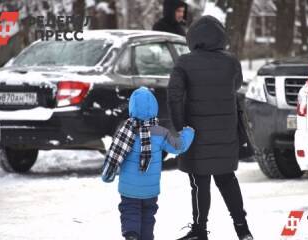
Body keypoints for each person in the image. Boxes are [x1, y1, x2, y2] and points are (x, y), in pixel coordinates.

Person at [167, 16, 254, 240]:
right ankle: (242, 229)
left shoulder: (185, 62)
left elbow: (174, 96)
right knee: (227, 179)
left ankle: (199, 231)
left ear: (193, 37)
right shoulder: (231, 61)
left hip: (196, 135)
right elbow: (235, 87)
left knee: (199, 182)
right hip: (226, 133)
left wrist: (180, 128)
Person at [101, 87, 195, 240]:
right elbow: (179, 146)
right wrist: (188, 133)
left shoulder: (125, 131)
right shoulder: (161, 132)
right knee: (148, 215)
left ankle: (131, 235)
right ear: (154, 107)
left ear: (132, 108)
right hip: (150, 189)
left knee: (130, 211)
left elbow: (115, 153)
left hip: (128, 188)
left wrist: (108, 173)